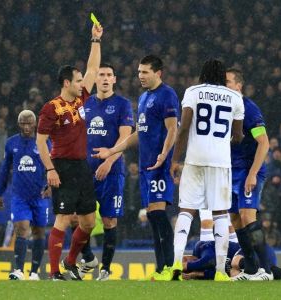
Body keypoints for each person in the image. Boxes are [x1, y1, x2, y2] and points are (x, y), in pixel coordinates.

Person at [92, 55, 180, 280]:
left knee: (159, 214)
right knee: (152, 216)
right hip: (145, 166)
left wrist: (164, 155)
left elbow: (172, 129)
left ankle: (169, 267)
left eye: (145, 72)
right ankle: (161, 269)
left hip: (160, 165)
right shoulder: (142, 99)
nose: (140, 76)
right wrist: (112, 151)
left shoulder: (167, 95)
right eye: (139, 72)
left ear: (158, 73)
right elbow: (139, 133)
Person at [36, 23, 103, 281]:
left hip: (82, 167)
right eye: (77, 81)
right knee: (63, 218)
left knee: (87, 222)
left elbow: (93, 69)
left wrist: (95, 40)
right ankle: (54, 272)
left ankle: (70, 261)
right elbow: (41, 143)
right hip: (62, 166)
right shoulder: (51, 108)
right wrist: (50, 169)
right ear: (67, 83)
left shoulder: (80, 99)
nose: (83, 83)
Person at [169, 59, 244, 281]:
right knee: (220, 212)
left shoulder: (193, 91)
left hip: (195, 159)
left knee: (186, 210)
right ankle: (221, 271)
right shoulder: (235, 97)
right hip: (221, 161)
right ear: (223, 77)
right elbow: (238, 136)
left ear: (203, 74)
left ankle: (175, 263)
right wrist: (224, 142)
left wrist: (175, 159)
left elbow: (183, 129)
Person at [77, 63, 134, 281]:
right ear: (95, 79)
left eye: (109, 75)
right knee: (79, 220)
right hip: (85, 171)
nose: (105, 78)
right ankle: (89, 258)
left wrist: (109, 161)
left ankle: (106, 269)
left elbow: (125, 137)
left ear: (115, 79)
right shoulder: (85, 104)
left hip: (112, 171)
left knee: (110, 220)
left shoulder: (122, 104)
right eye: (101, 74)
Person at [225, 68, 273, 280]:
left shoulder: (248, 109)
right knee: (235, 219)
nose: (223, 86)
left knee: (247, 216)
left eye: (227, 82)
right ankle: (252, 268)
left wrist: (252, 174)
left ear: (238, 86)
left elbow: (264, 143)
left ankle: (267, 269)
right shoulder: (224, 109)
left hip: (248, 170)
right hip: (230, 170)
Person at [0, 110, 51, 281]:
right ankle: (18, 270)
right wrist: (0, 192)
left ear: (35, 124)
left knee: (39, 233)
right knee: (22, 229)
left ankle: (34, 272)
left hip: (40, 196)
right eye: (23, 123)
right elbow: (5, 169)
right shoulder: (11, 143)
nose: (26, 127)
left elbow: (53, 166)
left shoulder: (44, 142)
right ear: (19, 124)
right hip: (19, 196)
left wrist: (51, 186)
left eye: (29, 123)